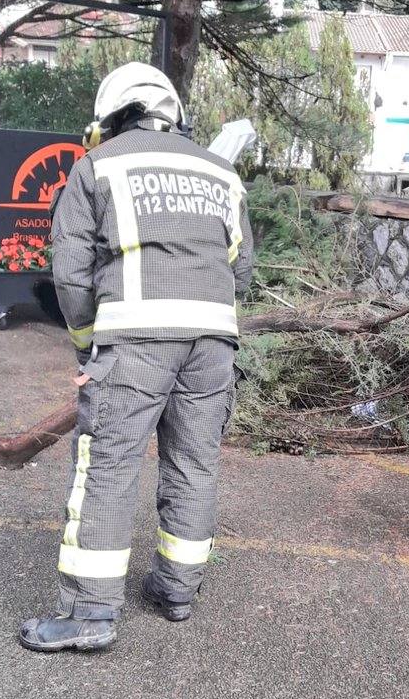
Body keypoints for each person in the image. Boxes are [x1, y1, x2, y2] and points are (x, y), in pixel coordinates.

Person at [20, 62, 253, 652]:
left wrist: (87, 343)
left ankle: (90, 613)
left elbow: (71, 275)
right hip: (214, 344)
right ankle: (177, 587)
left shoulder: (96, 165)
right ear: (172, 113)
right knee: (195, 464)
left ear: (113, 116)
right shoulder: (221, 171)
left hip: (134, 343)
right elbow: (241, 268)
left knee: (108, 467)